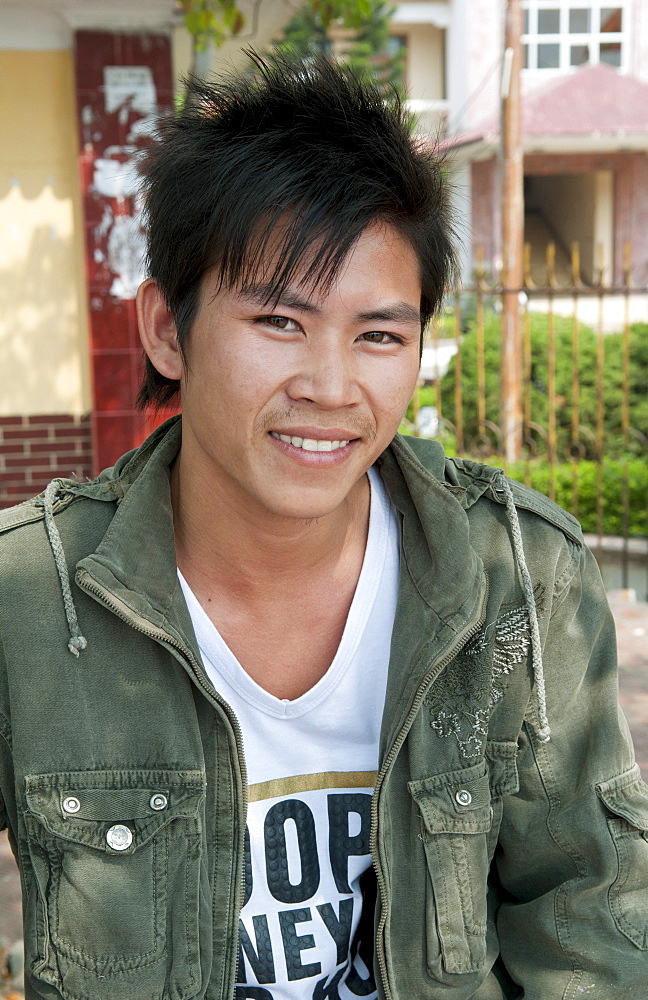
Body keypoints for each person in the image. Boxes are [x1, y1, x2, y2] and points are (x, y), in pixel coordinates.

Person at [0, 53, 646, 1000]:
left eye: (380, 334)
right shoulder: (31, 601)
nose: (332, 389)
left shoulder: (518, 573)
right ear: (167, 332)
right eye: (279, 321)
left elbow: (591, 927)